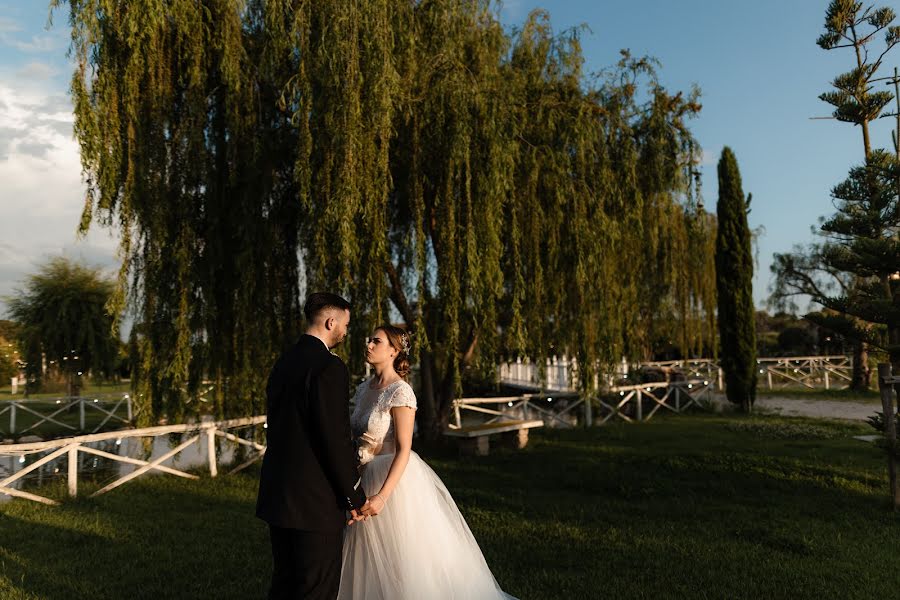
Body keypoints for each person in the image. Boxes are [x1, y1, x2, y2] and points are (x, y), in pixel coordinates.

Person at [337, 324, 516, 600]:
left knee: (403, 558)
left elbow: (404, 449)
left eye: (376, 341)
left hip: (392, 480)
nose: (368, 345)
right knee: (368, 558)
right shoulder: (363, 390)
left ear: (394, 350)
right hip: (362, 473)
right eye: (369, 340)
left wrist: (383, 497)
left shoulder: (401, 392)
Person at [256, 292, 369, 600]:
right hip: (314, 502)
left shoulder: (283, 363)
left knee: (284, 584)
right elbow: (333, 439)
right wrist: (354, 495)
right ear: (331, 322)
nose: (345, 332)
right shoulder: (329, 367)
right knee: (316, 588)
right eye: (345, 324)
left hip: (279, 495)